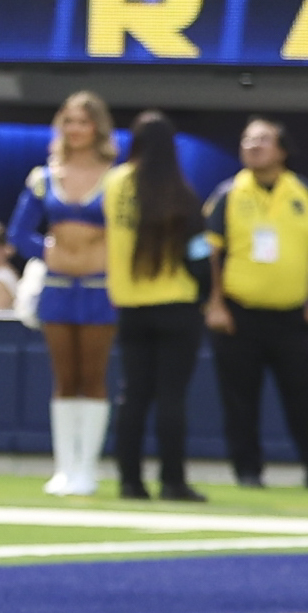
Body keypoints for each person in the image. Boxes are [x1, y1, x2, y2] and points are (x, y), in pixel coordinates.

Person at [202, 118, 308, 491]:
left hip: (292, 316)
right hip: (239, 314)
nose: (254, 146)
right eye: (248, 139)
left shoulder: (304, 193)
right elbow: (207, 251)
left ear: (283, 150)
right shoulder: (227, 193)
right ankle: (247, 470)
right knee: (239, 400)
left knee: (305, 398)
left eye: (263, 140)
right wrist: (214, 303)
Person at [11, 90, 117, 496]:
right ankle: (63, 467)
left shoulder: (116, 177)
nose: (75, 130)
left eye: (83, 122)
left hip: (99, 287)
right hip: (56, 286)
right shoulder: (43, 178)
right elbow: (19, 232)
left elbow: (131, 231)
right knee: (63, 377)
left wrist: (105, 253)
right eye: (68, 122)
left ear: (97, 128)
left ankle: (88, 467)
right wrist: (46, 252)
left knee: (93, 376)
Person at [102, 107, 210, 503]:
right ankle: (173, 481)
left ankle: (130, 482)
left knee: (133, 396)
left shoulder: (114, 185)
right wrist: (203, 293)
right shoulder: (182, 192)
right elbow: (198, 255)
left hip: (130, 305)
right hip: (176, 305)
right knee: (171, 397)